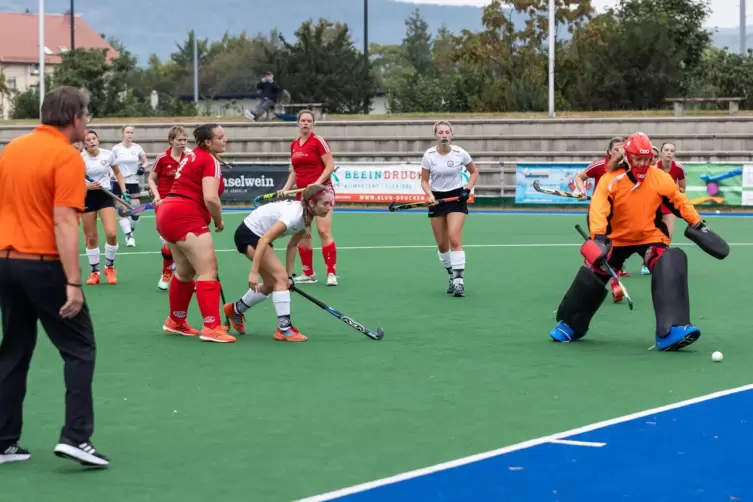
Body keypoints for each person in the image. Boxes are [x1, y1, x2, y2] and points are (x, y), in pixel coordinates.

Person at [0, 86, 109, 467]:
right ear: (76, 118)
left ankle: (4, 440)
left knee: (13, 350)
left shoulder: (12, 149)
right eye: (86, 115)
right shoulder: (66, 157)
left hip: (6, 262)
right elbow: (65, 220)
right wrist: (74, 282)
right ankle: (76, 437)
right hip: (41, 263)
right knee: (80, 348)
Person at [549, 132, 728, 352]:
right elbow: (598, 209)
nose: (642, 164)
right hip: (616, 239)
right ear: (628, 157)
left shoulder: (660, 177)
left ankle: (671, 330)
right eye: (638, 159)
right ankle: (572, 324)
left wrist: (698, 224)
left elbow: (680, 202)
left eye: (646, 159)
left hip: (650, 236)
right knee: (595, 271)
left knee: (669, 262)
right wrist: (598, 237)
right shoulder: (610, 179)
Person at [155, 123, 234, 343]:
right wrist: (218, 221)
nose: (225, 139)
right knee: (208, 271)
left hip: (167, 212)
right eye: (221, 136)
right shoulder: (209, 160)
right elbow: (210, 197)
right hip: (186, 215)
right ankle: (211, 327)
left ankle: (176, 321)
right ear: (208, 142)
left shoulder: (192, 156)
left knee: (184, 271)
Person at [224, 185, 333, 342]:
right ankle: (284, 329)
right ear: (311, 204)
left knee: (271, 283)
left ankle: (235, 310)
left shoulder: (307, 217)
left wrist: (289, 276)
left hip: (258, 236)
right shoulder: (294, 215)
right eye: (325, 204)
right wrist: (253, 272)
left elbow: (292, 245)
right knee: (279, 279)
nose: (329, 208)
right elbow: (264, 240)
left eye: (330, 203)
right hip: (250, 235)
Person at [420, 120, 478, 297]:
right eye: (440, 132)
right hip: (437, 199)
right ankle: (451, 276)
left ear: (451, 135)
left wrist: (467, 190)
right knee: (442, 245)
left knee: (454, 238)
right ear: (436, 135)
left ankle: (459, 282)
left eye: (447, 132)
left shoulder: (460, 153)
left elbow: (474, 172)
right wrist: (429, 195)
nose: (444, 135)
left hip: (456, 198)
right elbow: (424, 180)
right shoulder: (429, 156)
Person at [281, 109, 338, 286]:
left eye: (309, 121)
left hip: (322, 192)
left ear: (312, 124)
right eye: (303, 120)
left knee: (323, 231)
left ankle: (331, 273)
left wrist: (317, 183)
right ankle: (308, 273)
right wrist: (285, 189)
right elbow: (295, 172)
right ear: (297, 123)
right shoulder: (294, 145)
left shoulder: (318, 141)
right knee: (303, 232)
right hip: (302, 193)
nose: (306, 123)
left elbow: (330, 166)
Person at [574, 137, 630, 278]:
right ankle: (592, 265)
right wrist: (582, 191)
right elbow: (580, 177)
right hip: (599, 212)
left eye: (623, 149)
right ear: (609, 152)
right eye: (617, 149)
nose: (620, 152)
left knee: (616, 245)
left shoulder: (629, 167)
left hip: (619, 213)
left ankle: (614, 268)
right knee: (600, 245)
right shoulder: (600, 165)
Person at [82, 130, 129, 286]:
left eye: (94, 138)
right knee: (92, 237)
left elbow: (118, 172)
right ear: (84, 144)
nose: (92, 141)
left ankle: (110, 267)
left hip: (106, 196)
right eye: (88, 140)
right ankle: (94, 272)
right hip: (86, 197)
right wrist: (87, 187)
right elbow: (73, 180)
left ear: (98, 140)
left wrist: (123, 192)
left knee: (111, 233)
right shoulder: (79, 159)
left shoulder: (108, 155)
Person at [148, 126, 189, 290]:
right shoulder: (162, 158)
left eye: (185, 140)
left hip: (185, 203)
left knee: (186, 242)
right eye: (179, 140)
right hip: (164, 203)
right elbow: (151, 179)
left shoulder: (189, 157)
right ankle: (166, 272)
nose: (183, 143)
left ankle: (185, 275)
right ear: (171, 141)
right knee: (169, 242)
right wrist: (157, 196)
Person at [112, 126, 149, 247]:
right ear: (123, 134)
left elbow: (145, 161)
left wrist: (142, 167)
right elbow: (110, 164)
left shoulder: (137, 148)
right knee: (123, 210)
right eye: (127, 132)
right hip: (121, 183)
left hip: (134, 182)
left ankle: (131, 232)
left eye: (131, 133)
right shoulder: (116, 149)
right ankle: (129, 236)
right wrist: (112, 174)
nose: (130, 134)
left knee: (136, 212)